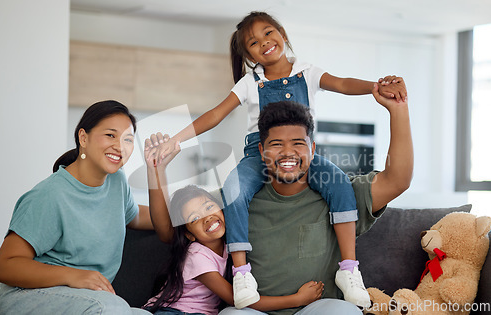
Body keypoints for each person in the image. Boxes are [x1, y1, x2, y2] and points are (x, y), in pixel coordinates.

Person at [148, 11, 407, 309]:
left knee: (339, 184)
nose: (265, 43)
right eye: (254, 43)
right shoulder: (249, 83)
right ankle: (243, 273)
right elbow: (216, 114)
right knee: (233, 189)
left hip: (302, 158)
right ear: (248, 55)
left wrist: (376, 87)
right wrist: (175, 139)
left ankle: (348, 270)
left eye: (268, 33)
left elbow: (344, 83)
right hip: (258, 155)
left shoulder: (307, 72)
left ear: (282, 33)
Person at [219, 81, 413, 315]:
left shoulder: (340, 195)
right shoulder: (239, 199)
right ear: (261, 151)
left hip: (317, 308)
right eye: (276, 144)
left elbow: (397, 181)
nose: (288, 152)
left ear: (312, 149)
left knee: (344, 312)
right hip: (256, 311)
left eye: (298, 144)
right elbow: (174, 230)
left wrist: (398, 109)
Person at [0, 100, 153, 314]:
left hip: (86, 298)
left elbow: (137, 216)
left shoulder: (117, 181)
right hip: (28, 294)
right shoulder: (50, 195)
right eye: (110, 135)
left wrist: (189, 212)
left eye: (128, 139)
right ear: (83, 138)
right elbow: (5, 266)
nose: (120, 146)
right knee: (111, 308)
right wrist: (74, 275)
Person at [141, 146, 325, 315]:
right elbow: (240, 300)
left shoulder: (232, 241)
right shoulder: (197, 256)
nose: (207, 217)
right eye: (194, 218)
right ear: (189, 234)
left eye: (208, 207)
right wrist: (297, 299)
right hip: (173, 312)